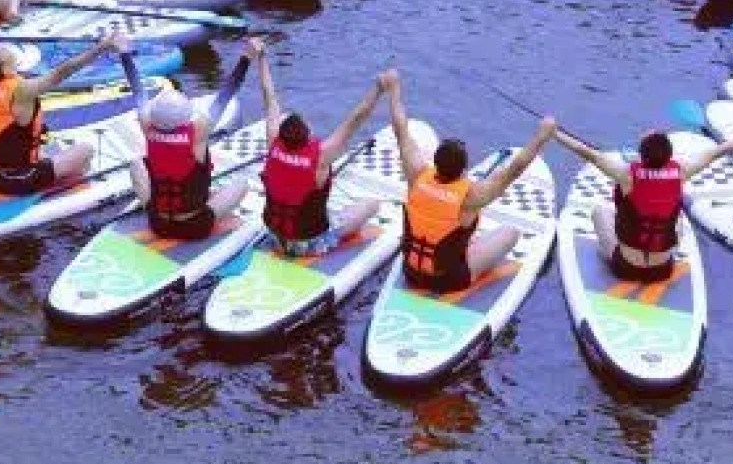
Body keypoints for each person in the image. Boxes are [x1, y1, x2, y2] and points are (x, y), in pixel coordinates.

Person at [385, 70, 557, 293]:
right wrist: (542, 135)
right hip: (449, 280)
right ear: (464, 170)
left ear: (435, 162)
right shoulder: (472, 196)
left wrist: (394, 88)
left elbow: (401, 130)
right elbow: (515, 169)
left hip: (410, 273)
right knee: (510, 233)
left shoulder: (416, 175)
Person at [551, 127, 733, 283]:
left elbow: (587, 153)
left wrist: (555, 133)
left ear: (642, 155)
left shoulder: (626, 174)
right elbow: (717, 152)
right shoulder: (682, 171)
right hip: (663, 270)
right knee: (675, 216)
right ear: (669, 155)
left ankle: (606, 254)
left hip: (625, 267)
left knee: (602, 210)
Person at [256, 44, 387, 256]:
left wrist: (261, 57)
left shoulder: (273, 142)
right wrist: (379, 88)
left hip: (275, 235)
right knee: (371, 205)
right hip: (310, 243)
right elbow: (356, 119)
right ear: (306, 136)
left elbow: (269, 97)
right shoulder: (321, 156)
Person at [126, 37, 259, 240]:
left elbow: (137, 90)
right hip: (196, 227)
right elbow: (227, 93)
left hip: (158, 223)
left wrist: (124, 54)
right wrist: (247, 57)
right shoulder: (198, 131)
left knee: (136, 163)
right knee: (242, 184)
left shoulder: (147, 127)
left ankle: (152, 206)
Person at [0, 33, 124, 194]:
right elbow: (62, 72)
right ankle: (72, 193)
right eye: (1, 49)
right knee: (86, 151)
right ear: (4, 67)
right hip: (19, 179)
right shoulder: (22, 90)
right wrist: (102, 47)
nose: (3, 46)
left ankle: (53, 172)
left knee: (44, 151)